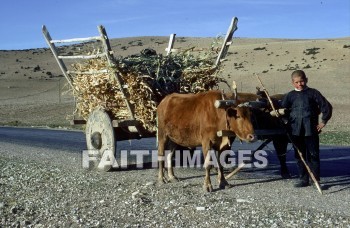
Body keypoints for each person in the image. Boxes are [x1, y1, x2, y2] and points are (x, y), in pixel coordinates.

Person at [281, 70, 332, 188]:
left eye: (302, 81)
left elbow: (326, 106)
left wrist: (323, 121)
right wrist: (285, 121)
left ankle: (316, 180)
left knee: (313, 155)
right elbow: (282, 111)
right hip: (295, 131)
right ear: (292, 82)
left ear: (306, 80)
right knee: (299, 155)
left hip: (311, 130)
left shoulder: (313, 93)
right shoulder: (289, 95)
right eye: (297, 82)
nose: (300, 84)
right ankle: (304, 180)